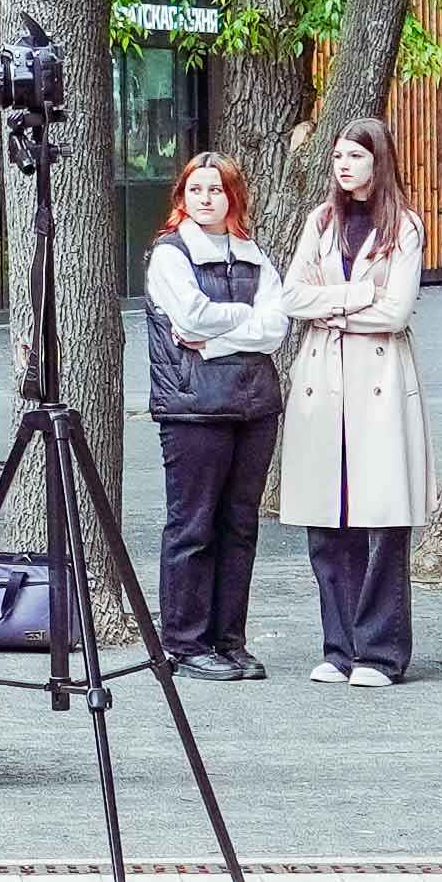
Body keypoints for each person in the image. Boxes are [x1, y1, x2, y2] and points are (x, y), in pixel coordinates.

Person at [277, 118, 428, 688]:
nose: (343, 165)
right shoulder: (320, 221)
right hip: (323, 382)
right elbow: (293, 297)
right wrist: (360, 295)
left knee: (382, 518)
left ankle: (381, 653)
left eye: (355, 156)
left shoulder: (403, 226)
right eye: (338, 155)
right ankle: (338, 647)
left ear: (378, 161)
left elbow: (397, 311)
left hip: (379, 383)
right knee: (328, 517)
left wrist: (332, 306)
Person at [144, 149, 290, 680]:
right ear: (182, 196)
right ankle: (185, 644)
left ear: (233, 196)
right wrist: (246, 321)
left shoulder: (253, 254)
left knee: (239, 527)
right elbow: (189, 317)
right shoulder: (170, 254)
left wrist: (215, 340)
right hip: (193, 409)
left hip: (255, 407)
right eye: (196, 189)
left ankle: (230, 640)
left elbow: (276, 329)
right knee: (193, 527)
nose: (206, 199)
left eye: (216, 189)